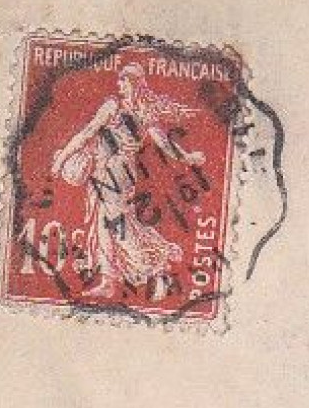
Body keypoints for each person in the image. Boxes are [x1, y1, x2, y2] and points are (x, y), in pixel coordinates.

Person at [49, 64, 204, 300]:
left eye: (124, 81)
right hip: (105, 171)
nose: (119, 85)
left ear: (134, 83)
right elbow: (89, 132)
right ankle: (110, 280)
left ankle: (159, 266)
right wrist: (62, 157)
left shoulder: (132, 109)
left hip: (114, 174)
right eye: (120, 81)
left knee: (119, 229)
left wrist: (61, 159)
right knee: (104, 228)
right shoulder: (127, 108)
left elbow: (161, 142)